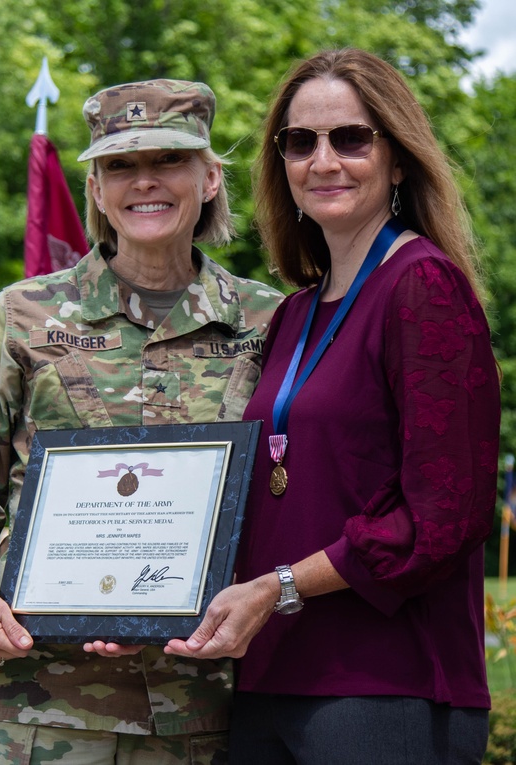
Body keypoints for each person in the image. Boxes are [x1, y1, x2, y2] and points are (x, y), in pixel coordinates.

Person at [0, 79, 283, 764]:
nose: (143, 182)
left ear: (208, 178)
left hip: (205, 712)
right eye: (119, 165)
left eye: (167, 160)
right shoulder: (21, 317)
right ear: (94, 187)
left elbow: (289, 505)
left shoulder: (268, 323)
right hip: (36, 714)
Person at [166, 48, 501, 764]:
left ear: (399, 158)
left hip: (385, 687)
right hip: (269, 680)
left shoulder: (423, 288)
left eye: (350, 138)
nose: (323, 160)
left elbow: (444, 516)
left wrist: (281, 586)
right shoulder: (292, 316)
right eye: (299, 141)